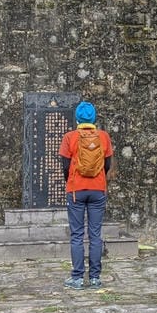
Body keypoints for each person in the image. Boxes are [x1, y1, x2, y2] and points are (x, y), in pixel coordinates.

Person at [58, 101, 114, 289]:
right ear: (94, 117)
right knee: (95, 234)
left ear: (77, 118)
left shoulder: (70, 137)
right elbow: (107, 164)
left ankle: (78, 278)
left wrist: (72, 181)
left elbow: (65, 166)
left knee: (77, 234)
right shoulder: (104, 137)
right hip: (97, 189)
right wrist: (97, 178)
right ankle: (96, 277)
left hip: (76, 190)